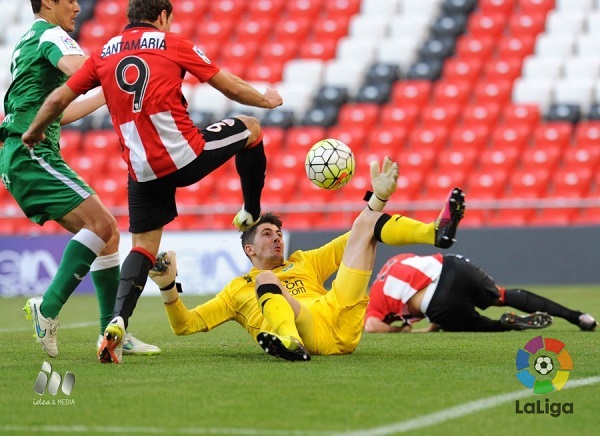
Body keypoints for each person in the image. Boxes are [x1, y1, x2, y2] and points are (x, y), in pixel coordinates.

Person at [22, 0, 283, 363]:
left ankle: (116, 322)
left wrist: (33, 132)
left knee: (143, 246)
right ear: (162, 16)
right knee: (252, 129)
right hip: (184, 155)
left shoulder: (102, 55)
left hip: (142, 170)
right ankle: (252, 210)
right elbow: (228, 85)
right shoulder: (172, 42)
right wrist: (265, 99)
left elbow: (57, 99)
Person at [148, 156, 467, 361]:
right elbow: (185, 325)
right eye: (266, 234)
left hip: (340, 315)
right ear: (249, 250)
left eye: (278, 233)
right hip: (307, 331)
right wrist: (168, 288)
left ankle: (435, 232)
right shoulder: (236, 290)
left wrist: (379, 197)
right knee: (265, 280)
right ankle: (288, 341)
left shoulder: (305, 261)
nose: (276, 237)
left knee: (366, 224)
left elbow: (356, 234)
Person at [0, 0, 158, 358]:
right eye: (70, 0)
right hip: (31, 151)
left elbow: (60, 111)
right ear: (49, 2)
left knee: (108, 236)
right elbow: (80, 69)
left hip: (26, 153)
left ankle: (111, 333)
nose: (76, 6)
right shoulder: (51, 35)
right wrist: (125, 71)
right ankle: (49, 308)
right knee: (102, 223)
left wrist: (108, 94)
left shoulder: (30, 38)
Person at [364, 253, 598, 333]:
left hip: (439, 304)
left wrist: (400, 331)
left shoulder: (372, 302)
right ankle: (577, 317)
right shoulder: (393, 262)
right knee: (501, 295)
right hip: (454, 267)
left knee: (479, 323)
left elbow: (372, 326)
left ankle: (509, 324)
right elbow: (423, 277)